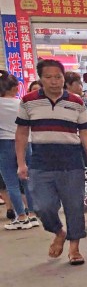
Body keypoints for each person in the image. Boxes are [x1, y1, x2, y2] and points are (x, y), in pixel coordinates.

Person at [15, 60, 87, 264]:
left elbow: (86, 133)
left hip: (71, 162)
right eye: (48, 77)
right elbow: (21, 133)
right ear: (40, 79)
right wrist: (21, 162)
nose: (54, 81)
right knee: (42, 206)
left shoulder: (76, 102)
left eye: (58, 77)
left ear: (64, 78)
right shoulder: (28, 101)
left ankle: (74, 248)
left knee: (74, 206)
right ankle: (58, 231)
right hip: (40, 162)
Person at [0, 70, 38, 230]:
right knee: (27, 179)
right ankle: (33, 215)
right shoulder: (23, 103)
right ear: (16, 87)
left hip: (4, 144)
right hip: (25, 142)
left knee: (11, 183)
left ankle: (21, 218)